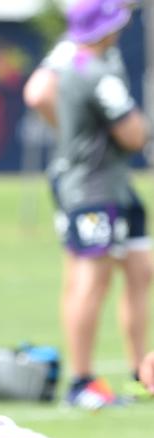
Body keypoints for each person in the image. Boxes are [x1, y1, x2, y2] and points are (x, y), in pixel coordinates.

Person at [24, 0, 152, 409]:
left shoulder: (81, 62)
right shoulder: (96, 73)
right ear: (106, 28)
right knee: (90, 277)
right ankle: (82, 383)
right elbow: (133, 136)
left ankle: (140, 374)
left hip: (115, 186)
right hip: (92, 190)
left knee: (139, 268)